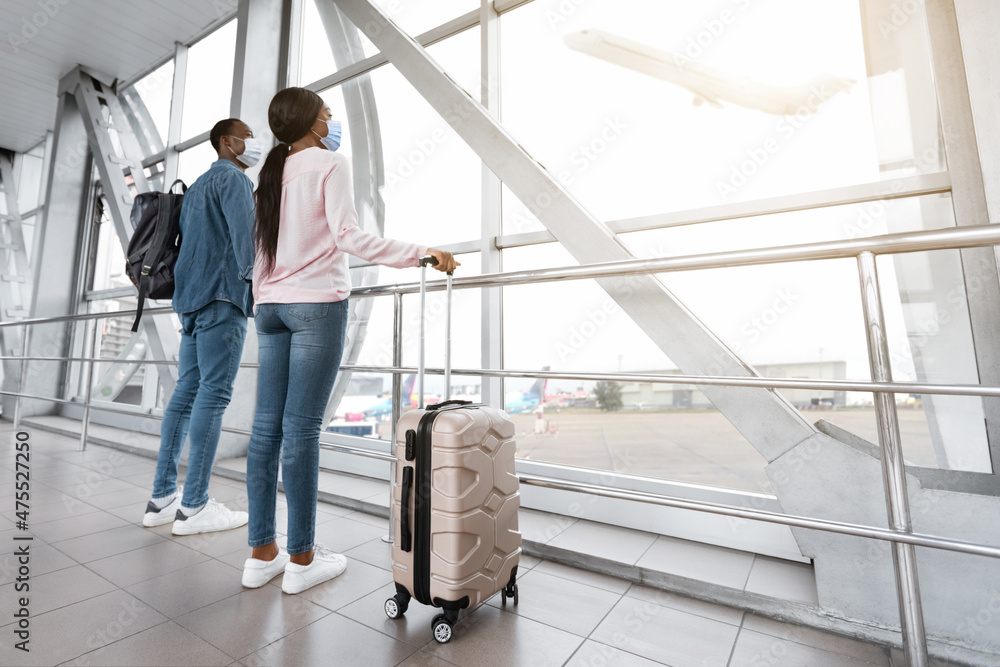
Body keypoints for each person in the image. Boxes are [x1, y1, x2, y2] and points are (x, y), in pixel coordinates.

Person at [240, 87, 457, 593]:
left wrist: (262, 296)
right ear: (311, 122)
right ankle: (302, 559)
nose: (332, 119)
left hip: (269, 307)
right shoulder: (330, 162)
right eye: (327, 112)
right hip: (315, 305)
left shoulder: (269, 174)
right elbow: (348, 236)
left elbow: (258, 250)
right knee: (301, 430)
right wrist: (421, 251)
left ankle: (261, 553)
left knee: (266, 429)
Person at [142, 118, 262, 535]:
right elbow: (246, 242)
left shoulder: (195, 189)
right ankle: (194, 505)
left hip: (190, 303)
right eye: (248, 135)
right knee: (213, 397)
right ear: (227, 142)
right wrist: (259, 290)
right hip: (221, 298)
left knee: (184, 396)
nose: (255, 141)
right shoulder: (234, 181)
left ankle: (161, 498)